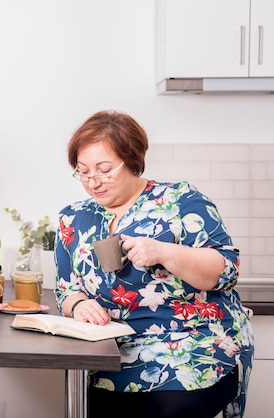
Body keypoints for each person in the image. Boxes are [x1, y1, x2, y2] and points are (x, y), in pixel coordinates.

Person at [54, 110, 253, 418]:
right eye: (83, 171)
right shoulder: (73, 218)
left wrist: (164, 252)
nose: (94, 182)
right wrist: (78, 304)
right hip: (111, 354)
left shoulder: (182, 201)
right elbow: (66, 289)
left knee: (168, 410)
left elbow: (225, 270)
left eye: (105, 170)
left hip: (191, 347)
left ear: (132, 160)